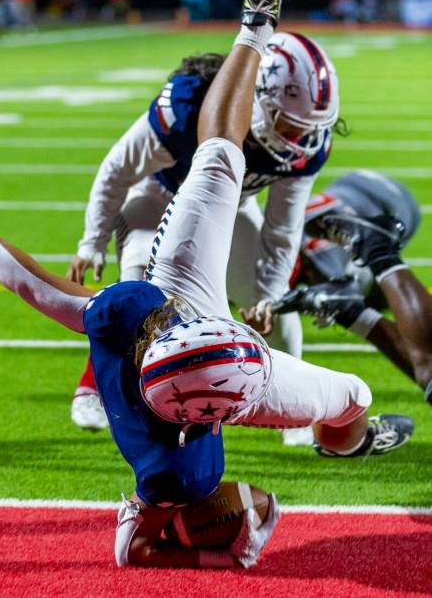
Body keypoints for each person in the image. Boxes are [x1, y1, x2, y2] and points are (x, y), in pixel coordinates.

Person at [0, 0, 413, 568]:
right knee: (352, 398)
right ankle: (343, 444)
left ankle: (256, 19)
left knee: (216, 158)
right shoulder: (199, 447)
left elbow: (28, 283)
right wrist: (223, 541)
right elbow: (137, 550)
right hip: (236, 359)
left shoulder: (129, 317)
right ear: (223, 414)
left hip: (186, 295)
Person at [68, 31, 342, 430]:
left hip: (226, 209)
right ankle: (100, 389)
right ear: (258, 98)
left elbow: (283, 227)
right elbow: (117, 169)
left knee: (275, 309)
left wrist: (267, 293)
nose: (301, 140)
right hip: (157, 198)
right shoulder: (189, 107)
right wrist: (92, 242)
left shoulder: (306, 145)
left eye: (309, 127)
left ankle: (295, 413)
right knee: (140, 293)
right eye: (291, 124)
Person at [274, 170, 432, 404]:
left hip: (381, 201)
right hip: (371, 195)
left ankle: (377, 251)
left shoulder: (324, 260)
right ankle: (356, 299)